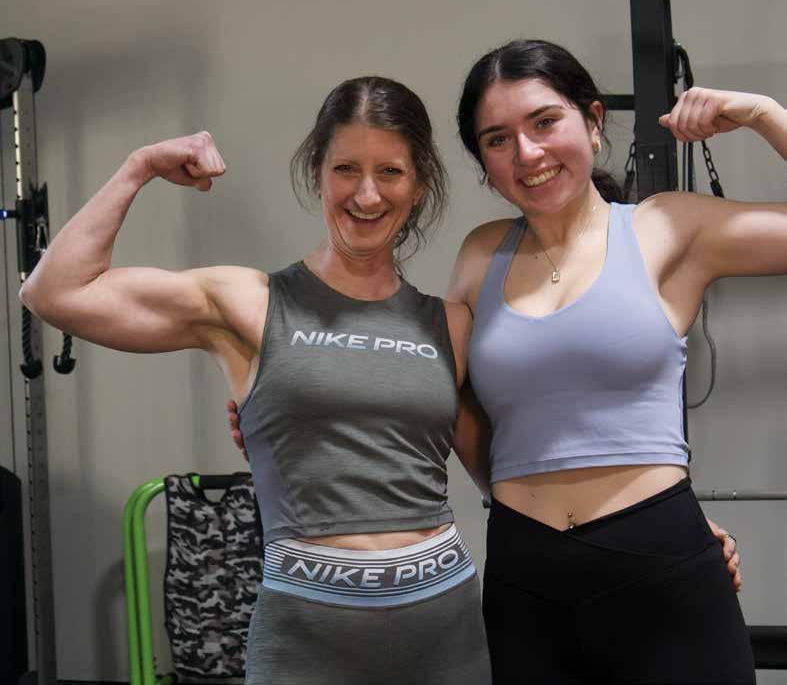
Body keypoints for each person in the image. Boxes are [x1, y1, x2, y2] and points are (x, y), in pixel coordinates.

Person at [19, 76, 491, 685]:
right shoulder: (249, 303)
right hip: (306, 636)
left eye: (391, 172)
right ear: (317, 172)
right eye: (346, 168)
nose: (367, 194)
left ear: (419, 182)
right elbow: (54, 293)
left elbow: (504, 473)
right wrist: (140, 166)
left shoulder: (450, 324)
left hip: (444, 628)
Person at [445, 39, 785, 684]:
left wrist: (764, 113)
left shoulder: (666, 228)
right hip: (524, 575)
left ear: (593, 121)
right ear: (484, 161)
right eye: (498, 139)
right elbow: (433, 391)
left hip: (659, 564)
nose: (528, 153)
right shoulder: (479, 255)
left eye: (545, 121)